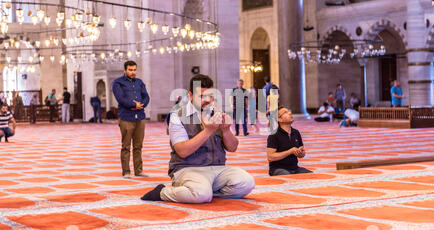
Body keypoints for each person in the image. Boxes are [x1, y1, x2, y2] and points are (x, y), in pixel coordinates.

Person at [141, 74, 255, 203]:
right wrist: (208, 130)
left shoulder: (216, 113)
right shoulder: (177, 116)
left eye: (210, 96)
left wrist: (226, 130)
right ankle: (162, 192)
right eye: (201, 96)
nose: (207, 100)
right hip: (187, 169)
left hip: (217, 169)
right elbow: (182, 151)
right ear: (190, 95)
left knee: (247, 183)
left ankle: (205, 192)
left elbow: (233, 147)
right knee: (201, 194)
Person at [112, 60, 150, 179]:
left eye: (134, 70)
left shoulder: (139, 82)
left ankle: (138, 171)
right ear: (125, 70)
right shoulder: (118, 83)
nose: (133, 72)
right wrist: (133, 105)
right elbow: (120, 99)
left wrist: (141, 104)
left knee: (138, 146)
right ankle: (126, 172)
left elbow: (146, 96)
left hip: (140, 117)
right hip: (126, 117)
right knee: (126, 146)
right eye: (130, 70)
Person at [267, 106, 312, 176]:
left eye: (289, 111)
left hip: (295, 168)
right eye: (285, 112)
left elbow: (302, 154)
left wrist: (301, 153)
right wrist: (290, 151)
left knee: (311, 175)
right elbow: (270, 157)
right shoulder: (274, 135)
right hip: (278, 169)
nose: (290, 113)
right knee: (289, 177)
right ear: (279, 119)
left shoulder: (296, 132)